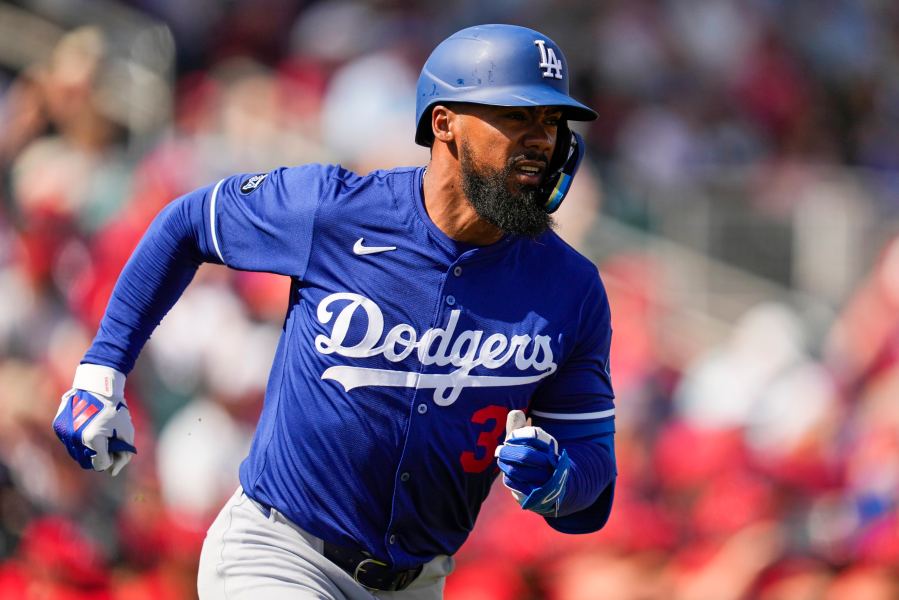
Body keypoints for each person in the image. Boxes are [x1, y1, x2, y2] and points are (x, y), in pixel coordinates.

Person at [52, 24, 617, 599]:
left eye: (551, 121)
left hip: (418, 583)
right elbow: (188, 224)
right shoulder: (336, 210)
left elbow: (592, 490)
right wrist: (102, 371)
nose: (543, 139)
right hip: (280, 555)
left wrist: (561, 483)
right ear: (444, 122)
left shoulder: (572, 288)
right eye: (518, 116)